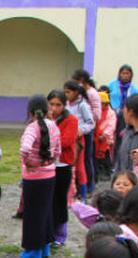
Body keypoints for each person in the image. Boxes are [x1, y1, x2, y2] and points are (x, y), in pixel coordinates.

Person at [19, 95, 61, 258]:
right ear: (46, 109)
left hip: (34, 178)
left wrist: (28, 163)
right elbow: (57, 150)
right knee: (45, 212)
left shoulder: (31, 128)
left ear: (30, 111)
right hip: (50, 176)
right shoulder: (53, 126)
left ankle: (32, 253)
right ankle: (44, 248)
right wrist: (50, 162)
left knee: (33, 215)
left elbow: (24, 149)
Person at [47, 89, 78, 248]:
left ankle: (61, 234)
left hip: (63, 165)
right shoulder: (45, 119)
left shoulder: (71, 120)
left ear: (64, 105)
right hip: (49, 165)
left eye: (58, 104)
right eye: (51, 104)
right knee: (49, 200)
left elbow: (66, 141)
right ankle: (50, 232)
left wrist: (50, 136)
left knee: (60, 200)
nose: (54, 108)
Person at [64, 80, 94, 198]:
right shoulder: (65, 104)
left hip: (78, 140)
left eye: (68, 92)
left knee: (80, 167)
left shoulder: (82, 105)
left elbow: (91, 123)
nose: (66, 94)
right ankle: (69, 192)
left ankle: (84, 193)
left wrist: (81, 130)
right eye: (65, 92)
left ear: (76, 92)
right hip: (67, 139)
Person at [94, 90, 116, 180]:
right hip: (97, 138)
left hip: (105, 140)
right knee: (96, 156)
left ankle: (108, 171)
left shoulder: (111, 113)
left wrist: (104, 135)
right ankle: (99, 172)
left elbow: (111, 126)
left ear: (106, 103)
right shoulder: (97, 112)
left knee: (105, 156)